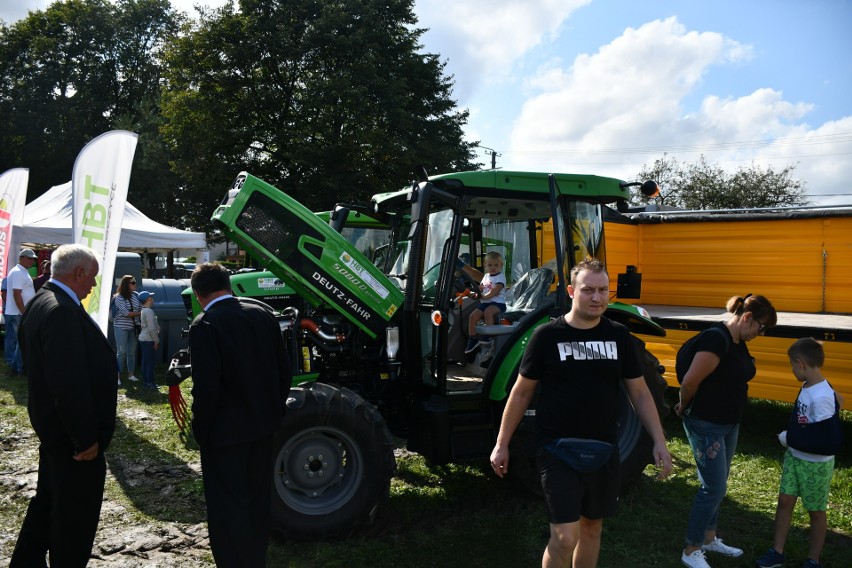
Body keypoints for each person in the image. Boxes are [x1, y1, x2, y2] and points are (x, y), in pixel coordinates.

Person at [490, 257, 673, 568]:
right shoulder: (546, 337)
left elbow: (640, 393)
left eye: (603, 290)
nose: (598, 297)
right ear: (572, 292)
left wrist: (659, 440)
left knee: (592, 529)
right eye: (589, 290)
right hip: (556, 448)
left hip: (604, 447)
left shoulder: (619, 336)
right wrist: (502, 443)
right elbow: (521, 392)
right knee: (563, 536)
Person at [10, 244, 118, 567]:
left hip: (56, 436)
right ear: (79, 273)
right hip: (74, 446)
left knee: (47, 508)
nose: (94, 286)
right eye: (93, 278)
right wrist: (86, 439)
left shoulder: (40, 301)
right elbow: (67, 384)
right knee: (73, 523)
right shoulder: (60, 311)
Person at [189, 262, 291, 567]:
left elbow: (206, 388)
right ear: (228, 284)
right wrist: (272, 411)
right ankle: (255, 557)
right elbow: (283, 371)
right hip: (262, 427)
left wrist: (201, 430)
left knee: (226, 506)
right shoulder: (262, 314)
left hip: (224, 434)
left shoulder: (205, 324)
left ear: (198, 294)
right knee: (258, 498)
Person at [675, 294, 778, 568]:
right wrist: (683, 406)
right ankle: (691, 549)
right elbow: (689, 382)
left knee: (717, 486)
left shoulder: (737, 341)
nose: (760, 333)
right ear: (747, 318)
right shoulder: (716, 340)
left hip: (727, 423)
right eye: (761, 327)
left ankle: (709, 538)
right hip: (706, 423)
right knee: (713, 487)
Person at [755, 338, 843, 568]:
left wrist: (793, 438)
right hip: (795, 457)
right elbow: (839, 400)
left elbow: (826, 437)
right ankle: (777, 551)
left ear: (800, 363)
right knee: (784, 501)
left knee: (815, 511)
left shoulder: (821, 396)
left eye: (792, 366)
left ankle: (813, 559)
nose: (792, 370)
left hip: (815, 464)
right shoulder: (811, 386)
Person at [463, 251, 507, 354]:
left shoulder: (500, 277)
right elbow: (480, 288)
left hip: (498, 304)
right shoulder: (486, 276)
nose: (493, 267)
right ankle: (472, 339)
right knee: (472, 316)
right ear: (485, 265)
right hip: (485, 303)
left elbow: (495, 290)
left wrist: (484, 296)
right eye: (490, 265)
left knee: (488, 311)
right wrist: (474, 294)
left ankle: (488, 337)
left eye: (496, 265)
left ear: (501, 265)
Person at [5, 248, 38, 375]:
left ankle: (15, 366)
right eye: (29, 258)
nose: (32, 261)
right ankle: (17, 367)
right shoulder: (19, 272)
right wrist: (24, 312)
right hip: (18, 312)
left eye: (33, 258)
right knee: (22, 341)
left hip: (17, 312)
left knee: (19, 340)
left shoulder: (21, 271)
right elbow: (16, 294)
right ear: (21, 258)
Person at [112, 274, 141, 384]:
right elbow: (126, 313)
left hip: (133, 327)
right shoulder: (118, 297)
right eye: (133, 283)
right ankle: (118, 377)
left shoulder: (136, 296)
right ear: (126, 284)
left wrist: (140, 313)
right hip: (121, 327)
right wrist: (140, 313)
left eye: (135, 282)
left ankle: (131, 375)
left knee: (131, 352)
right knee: (121, 352)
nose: (135, 284)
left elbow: (141, 308)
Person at [137, 291, 160, 391]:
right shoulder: (149, 311)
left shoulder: (144, 310)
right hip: (148, 340)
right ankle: (150, 383)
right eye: (151, 297)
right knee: (150, 362)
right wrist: (156, 340)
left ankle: (146, 382)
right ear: (148, 299)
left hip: (143, 339)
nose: (152, 298)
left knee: (145, 361)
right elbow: (151, 328)